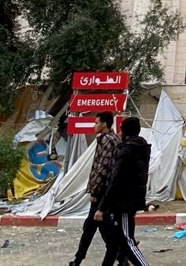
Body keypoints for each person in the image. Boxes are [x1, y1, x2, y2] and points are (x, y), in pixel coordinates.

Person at [96, 116, 151, 266]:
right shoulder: (141, 148)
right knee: (113, 242)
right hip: (130, 199)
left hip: (124, 202)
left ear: (124, 131)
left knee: (128, 242)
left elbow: (117, 181)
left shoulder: (127, 151)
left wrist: (102, 207)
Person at [69, 111, 120, 266]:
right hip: (107, 191)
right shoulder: (113, 138)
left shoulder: (106, 140)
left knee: (90, 228)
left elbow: (102, 168)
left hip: (102, 192)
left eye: (97, 123)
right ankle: (121, 255)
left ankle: (77, 260)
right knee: (102, 228)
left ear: (104, 124)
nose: (94, 125)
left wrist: (95, 191)